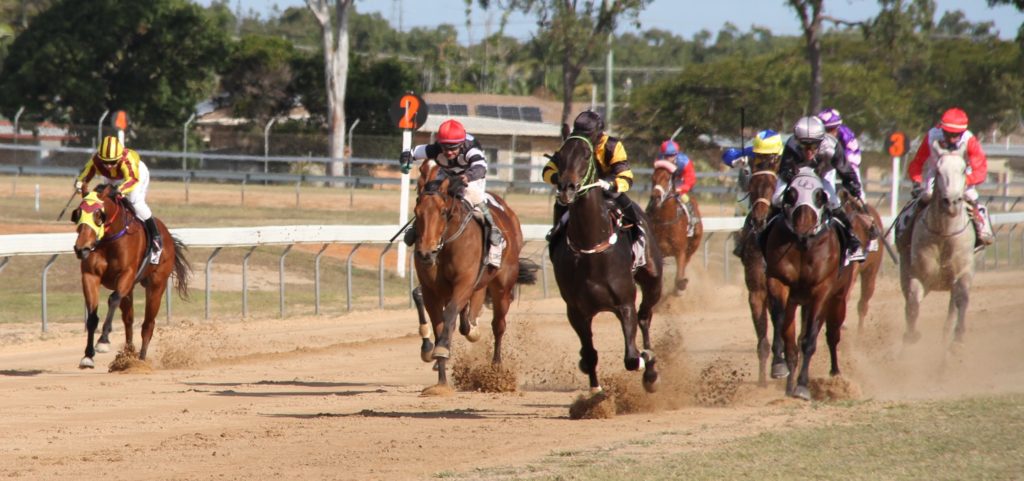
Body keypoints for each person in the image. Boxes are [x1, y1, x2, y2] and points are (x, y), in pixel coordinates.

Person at [543, 111, 647, 265]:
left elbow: (626, 177)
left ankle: (638, 235)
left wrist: (610, 184)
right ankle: (556, 238)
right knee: (560, 203)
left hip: (607, 189)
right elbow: (547, 171)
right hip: (578, 190)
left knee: (625, 203)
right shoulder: (573, 144)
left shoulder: (613, 146)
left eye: (588, 134)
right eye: (580, 133)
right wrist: (561, 180)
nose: (584, 138)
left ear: (598, 133)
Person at [399, 119, 503, 258]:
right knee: (429, 195)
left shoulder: (471, 149)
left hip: (472, 174)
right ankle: (417, 226)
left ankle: (493, 228)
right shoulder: (436, 149)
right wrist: (406, 158)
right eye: (445, 147)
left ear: (461, 144)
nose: (448, 152)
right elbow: (412, 152)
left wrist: (466, 177)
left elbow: (480, 168)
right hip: (448, 173)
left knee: (472, 193)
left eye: (453, 148)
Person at [774, 116, 866, 263]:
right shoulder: (791, 145)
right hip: (795, 176)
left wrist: (853, 184)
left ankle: (851, 240)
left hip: (819, 177)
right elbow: (784, 169)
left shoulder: (832, 147)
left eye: (813, 146)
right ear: (797, 140)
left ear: (821, 141)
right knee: (777, 198)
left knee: (834, 202)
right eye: (804, 146)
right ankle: (764, 234)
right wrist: (791, 177)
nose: (809, 151)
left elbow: (845, 170)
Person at [899, 107, 992, 248]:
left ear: (963, 132)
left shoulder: (969, 140)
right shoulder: (931, 136)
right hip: (936, 177)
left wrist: (966, 180)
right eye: (948, 134)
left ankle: (983, 230)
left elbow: (981, 168)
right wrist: (917, 182)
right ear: (942, 129)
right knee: (925, 197)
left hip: (962, 179)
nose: (952, 138)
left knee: (972, 197)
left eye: (956, 134)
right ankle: (905, 232)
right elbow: (917, 162)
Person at [75, 135, 162, 264]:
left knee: (135, 202)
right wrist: (79, 183)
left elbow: (132, 179)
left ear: (119, 157)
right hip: (113, 177)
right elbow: (86, 174)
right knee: (104, 202)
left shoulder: (127, 160)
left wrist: (120, 190)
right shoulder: (96, 160)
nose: (109, 166)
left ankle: (156, 239)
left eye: (112, 162)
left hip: (135, 174)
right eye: (105, 162)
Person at [724, 129, 783, 257]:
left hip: (781, 192)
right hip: (760, 194)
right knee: (752, 215)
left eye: (768, 155)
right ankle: (743, 244)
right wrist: (736, 160)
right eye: (761, 154)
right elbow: (728, 155)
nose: (764, 158)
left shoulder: (786, 155)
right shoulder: (753, 152)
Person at [656, 139, 700, 236]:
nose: (668, 159)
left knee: (685, 198)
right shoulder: (659, 159)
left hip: (680, 183)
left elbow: (690, 178)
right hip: (666, 183)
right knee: (655, 199)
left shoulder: (684, 161)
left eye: (671, 156)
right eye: (666, 156)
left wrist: (682, 188)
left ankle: (692, 221)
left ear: (676, 154)